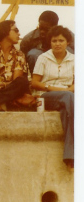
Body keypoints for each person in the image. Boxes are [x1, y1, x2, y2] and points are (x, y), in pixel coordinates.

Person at [31, 26, 74, 170]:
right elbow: (35, 83)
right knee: (69, 97)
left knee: (67, 113)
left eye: (61, 40)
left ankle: (70, 157)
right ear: (50, 42)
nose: (57, 43)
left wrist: (68, 90)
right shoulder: (43, 58)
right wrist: (60, 89)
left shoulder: (74, 60)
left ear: (67, 42)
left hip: (67, 98)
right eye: (54, 40)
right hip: (46, 96)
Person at [20, 10, 74, 74]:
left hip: (61, 63)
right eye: (40, 28)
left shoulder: (68, 35)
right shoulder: (29, 38)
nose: (42, 32)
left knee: (69, 51)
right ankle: (36, 79)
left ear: (55, 26)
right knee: (32, 54)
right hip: (41, 64)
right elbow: (22, 56)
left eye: (46, 29)